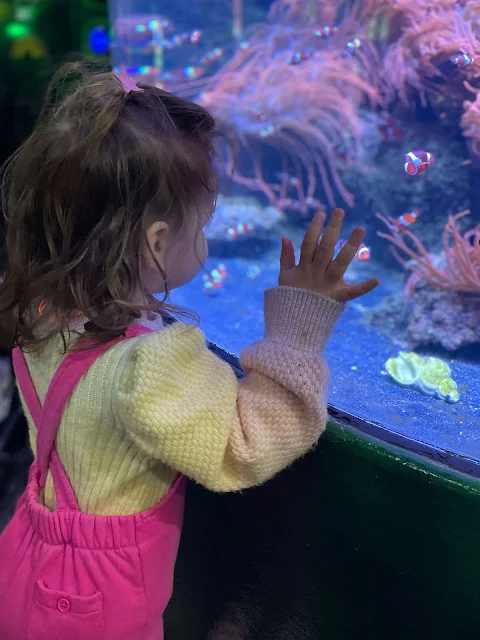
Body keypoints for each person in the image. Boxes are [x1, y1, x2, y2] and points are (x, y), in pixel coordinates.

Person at [0, 62, 379, 640]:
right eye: (201, 227)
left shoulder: (40, 311)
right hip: (98, 603)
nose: (204, 241)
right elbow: (243, 443)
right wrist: (299, 327)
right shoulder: (149, 364)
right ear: (156, 243)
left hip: (27, 554)